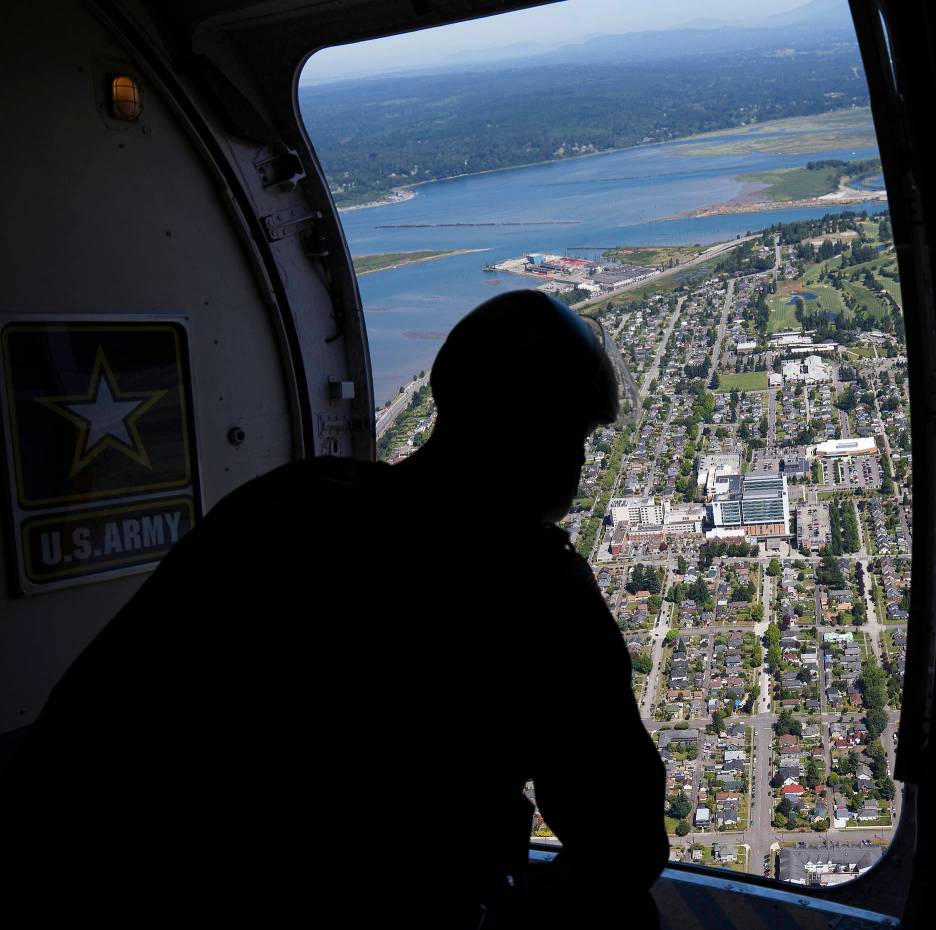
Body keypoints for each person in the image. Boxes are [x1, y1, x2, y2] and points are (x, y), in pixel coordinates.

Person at [4, 290, 667, 924]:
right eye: (577, 437)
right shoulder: (535, 590)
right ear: (548, 440)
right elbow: (625, 846)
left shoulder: (285, 505)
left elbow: (87, 725)